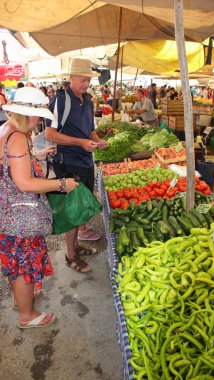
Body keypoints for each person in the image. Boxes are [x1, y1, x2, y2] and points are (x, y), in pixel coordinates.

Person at [0, 87, 78, 328]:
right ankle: (27, 316)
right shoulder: (18, 137)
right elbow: (24, 182)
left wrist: (37, 155)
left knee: (14, 262)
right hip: (19, 216)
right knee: (24, 263)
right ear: (27, 114)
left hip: (7, 212)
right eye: (38, 116)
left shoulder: (6, 129)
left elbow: (11, 167)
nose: (40, 121)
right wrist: (62, 184)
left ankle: (20, 302)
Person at [45, 58, 108, 273]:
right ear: (71, 78)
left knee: (81, 207)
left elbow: (90, 130)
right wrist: (80, 143)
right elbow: (50, 134)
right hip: (67, 161)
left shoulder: (88, 101)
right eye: (82, 80)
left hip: (85, 161)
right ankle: (69, 255)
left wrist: (97, 141)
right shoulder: (60, 100)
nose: (86, 84)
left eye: (88, 80)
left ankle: (76, 246)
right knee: (72, 210)